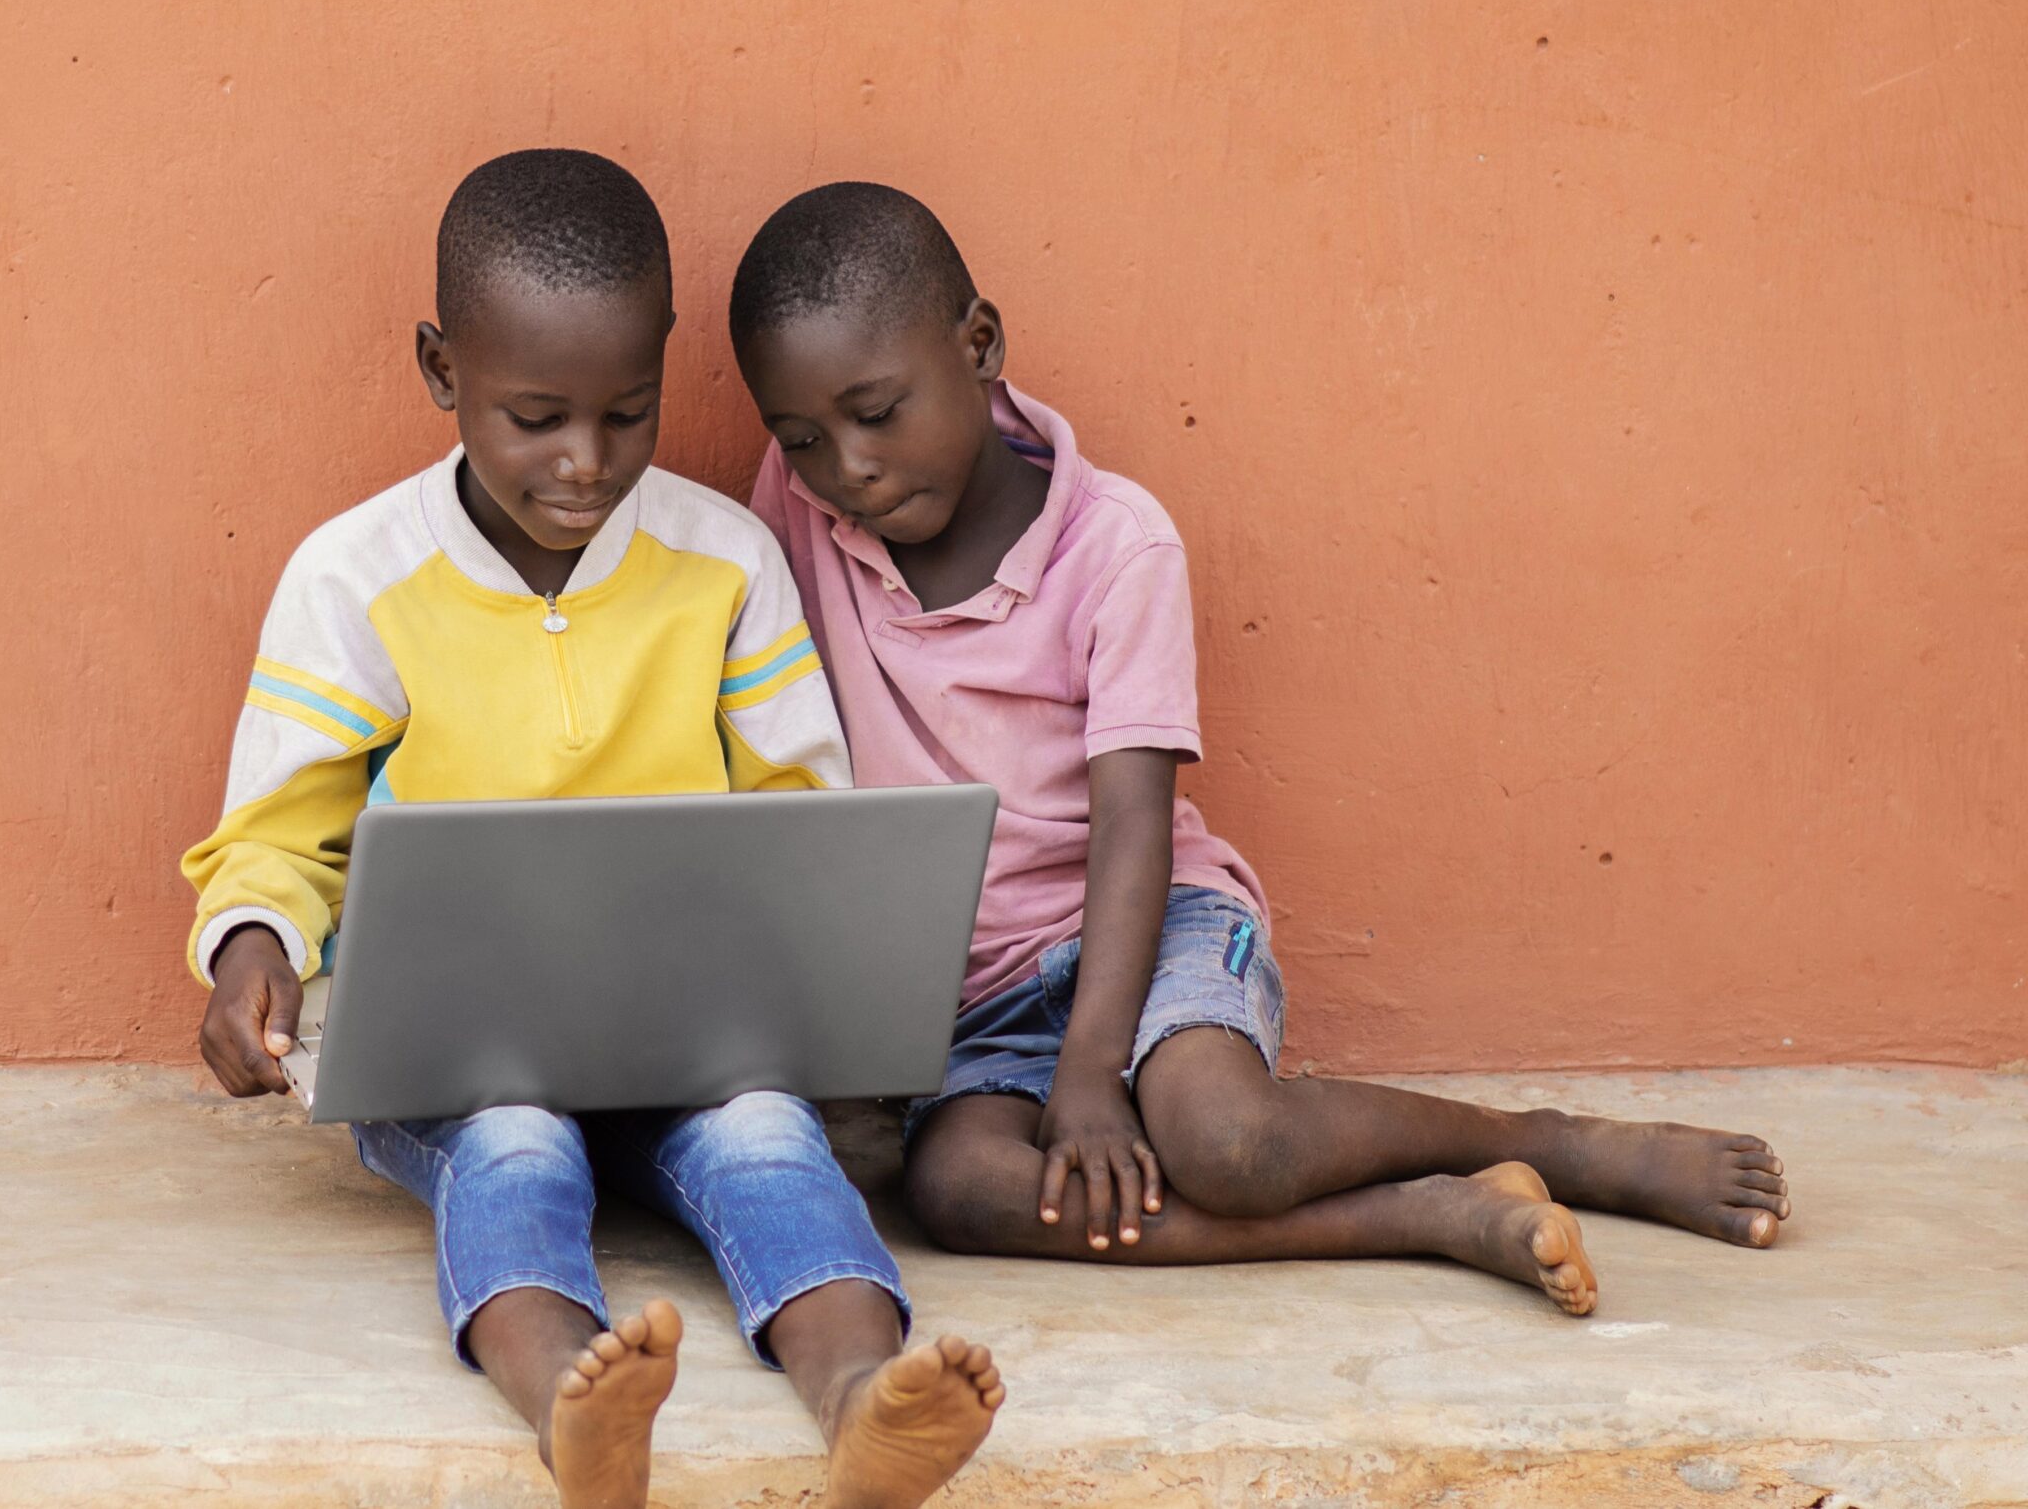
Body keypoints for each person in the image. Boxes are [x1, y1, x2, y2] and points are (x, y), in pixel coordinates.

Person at [732, 181, 1792, 1314]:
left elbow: (1134, 828)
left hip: (1142, 926)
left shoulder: (1115, 544)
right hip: (971, 999)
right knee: (957, 1190)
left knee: (1224, 1141)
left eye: (878, 413)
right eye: (803, 440)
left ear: (980, 345)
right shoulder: (795, 516)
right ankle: (1429, 1217)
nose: (851, 469)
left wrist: (1092, 1071)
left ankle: (1552, 1143)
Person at [182, 152, 1003, 1509]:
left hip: (694, 1036)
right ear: (443, 370)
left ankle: (865, 1399)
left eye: (626, 415)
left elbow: (804, 821)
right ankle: (578, 1409)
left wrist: (821, 997)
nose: (585, 463)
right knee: (509, 1142)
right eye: (535, 417)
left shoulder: (727, 562)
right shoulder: (356, 578)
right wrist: (252, 942)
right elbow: (279, 828)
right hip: (456, 1048)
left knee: (762, 1135)